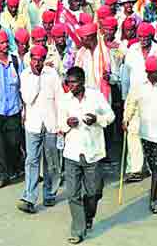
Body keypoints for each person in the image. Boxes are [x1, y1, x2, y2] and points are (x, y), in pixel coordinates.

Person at [60, 66, 115, 244]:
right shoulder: (65, 99)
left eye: (74, 82)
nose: (71, 86)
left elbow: (111, 116)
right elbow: (59, 124)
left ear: (82, 82)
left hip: (93, 152)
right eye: (68, 83)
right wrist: (67, 123)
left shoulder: (95, 96)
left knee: (94, 192)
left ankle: (88, 216)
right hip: (72, 153)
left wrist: (97, 119)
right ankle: (78, 230)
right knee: (72, 194)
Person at [18, 44, 62, 214]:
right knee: (32, 160)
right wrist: (36, 77)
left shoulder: (52, 74)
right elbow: (27, 98)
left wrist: (61, 123)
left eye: (40, 60)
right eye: (34, 59)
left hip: (51, 123)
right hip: (33, 124)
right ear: (30, 59)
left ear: (44, 60)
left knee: (51, 161)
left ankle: (50, 194)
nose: (37, 63)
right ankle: (29, 197)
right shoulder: (26, 75)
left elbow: (59, 98)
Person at [0, 29, 24, 188]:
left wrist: (23, 109)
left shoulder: (16, 61)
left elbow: (22, 85)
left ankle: (14, 168)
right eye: (1, 43)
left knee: (14, 142)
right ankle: (2, 176)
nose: (5, 45)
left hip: (14, 108)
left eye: (6, 42)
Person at [122, 55, 157, 214]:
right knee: (154, 168)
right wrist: (126, 119)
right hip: (147, 134)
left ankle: (154, 200)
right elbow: (131, 104)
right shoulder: (139, 87)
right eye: (151, 72)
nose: (153, 75)